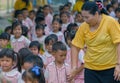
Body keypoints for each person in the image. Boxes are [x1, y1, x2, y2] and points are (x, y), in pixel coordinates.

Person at [70, 1, 120, 83]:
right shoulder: (83, 27)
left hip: (111, 68)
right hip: (91, 70)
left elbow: (118, 43)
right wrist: (74, 67)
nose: (85, 20)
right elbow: (75, 46)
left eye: (87, 17)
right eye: (83, 17)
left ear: (96, 14)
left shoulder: (110, 22)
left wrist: (118, 65)